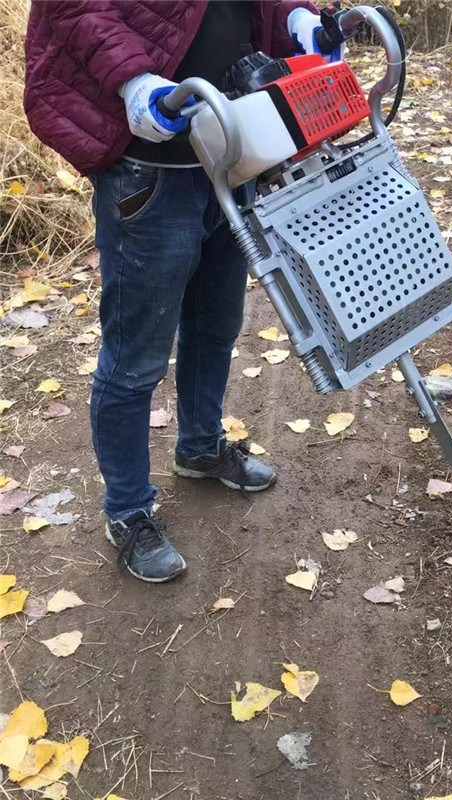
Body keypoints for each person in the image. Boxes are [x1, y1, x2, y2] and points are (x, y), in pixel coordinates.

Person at [24, 1, 328, 584]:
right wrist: (133, 78)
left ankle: (199, 445)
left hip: (234, 154)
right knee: (136, 354)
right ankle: (129, 511)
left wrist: (298, 15)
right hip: (149, 165)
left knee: (216, 325)